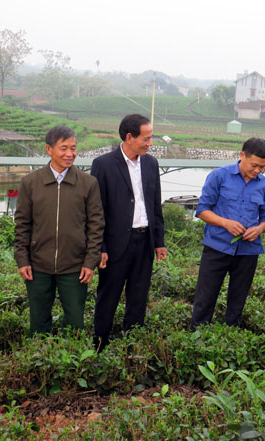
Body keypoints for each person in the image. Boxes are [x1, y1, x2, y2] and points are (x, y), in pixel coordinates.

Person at [14, 125, 104, 335]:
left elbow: (96, 226)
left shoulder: (88, 183)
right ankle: (39, 361)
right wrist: (22, 259)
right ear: (49, 149)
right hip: (37, 266)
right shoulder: (31, 183)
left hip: (74, 267)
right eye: (64, 148)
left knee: (74, 322)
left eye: (73, 148)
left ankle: (71, 364)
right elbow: (22, 225)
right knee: (38, 322)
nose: (70, 154)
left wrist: (90, 262)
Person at [90, 114, 167, 351]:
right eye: (146, 138)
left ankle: (131, 347)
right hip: (115, 244)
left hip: (144, 242)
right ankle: (99, 346)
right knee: (108, 296)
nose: (150, 143)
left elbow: (155, 205)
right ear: (129, 137)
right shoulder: (103, 164)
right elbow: (96, 210)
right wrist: (100, 247)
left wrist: (159, 242)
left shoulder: (151, 164)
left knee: (138, 297)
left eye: (151, 137)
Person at [190, 138, 265, 330]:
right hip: (216, 247)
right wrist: (225, 223)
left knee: (238, 300)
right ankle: (196, 337)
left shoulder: (264, 185)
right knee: (205, 298)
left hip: (248, 251)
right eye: (255, 165)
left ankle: (230, 338)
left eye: (263, 167)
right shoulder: (219, 176)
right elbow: (202, 209)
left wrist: (259, 229)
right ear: (242, 155)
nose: (258, 171)